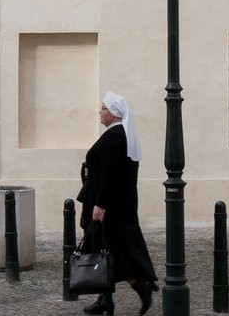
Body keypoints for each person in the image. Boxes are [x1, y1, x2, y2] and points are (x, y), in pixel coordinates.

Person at [76, 91, 159, 315]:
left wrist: (101, 204)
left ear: (114, 113)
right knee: (105, 250)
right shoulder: (120, 135)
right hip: (114, 205)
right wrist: (90, 169)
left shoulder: (114, 137)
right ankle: (106, 299)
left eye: (103, 108)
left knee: (112, 251)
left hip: (108, 208)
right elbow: (107, 167)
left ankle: (140, 286)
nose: (99, 112)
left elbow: (112, 174)